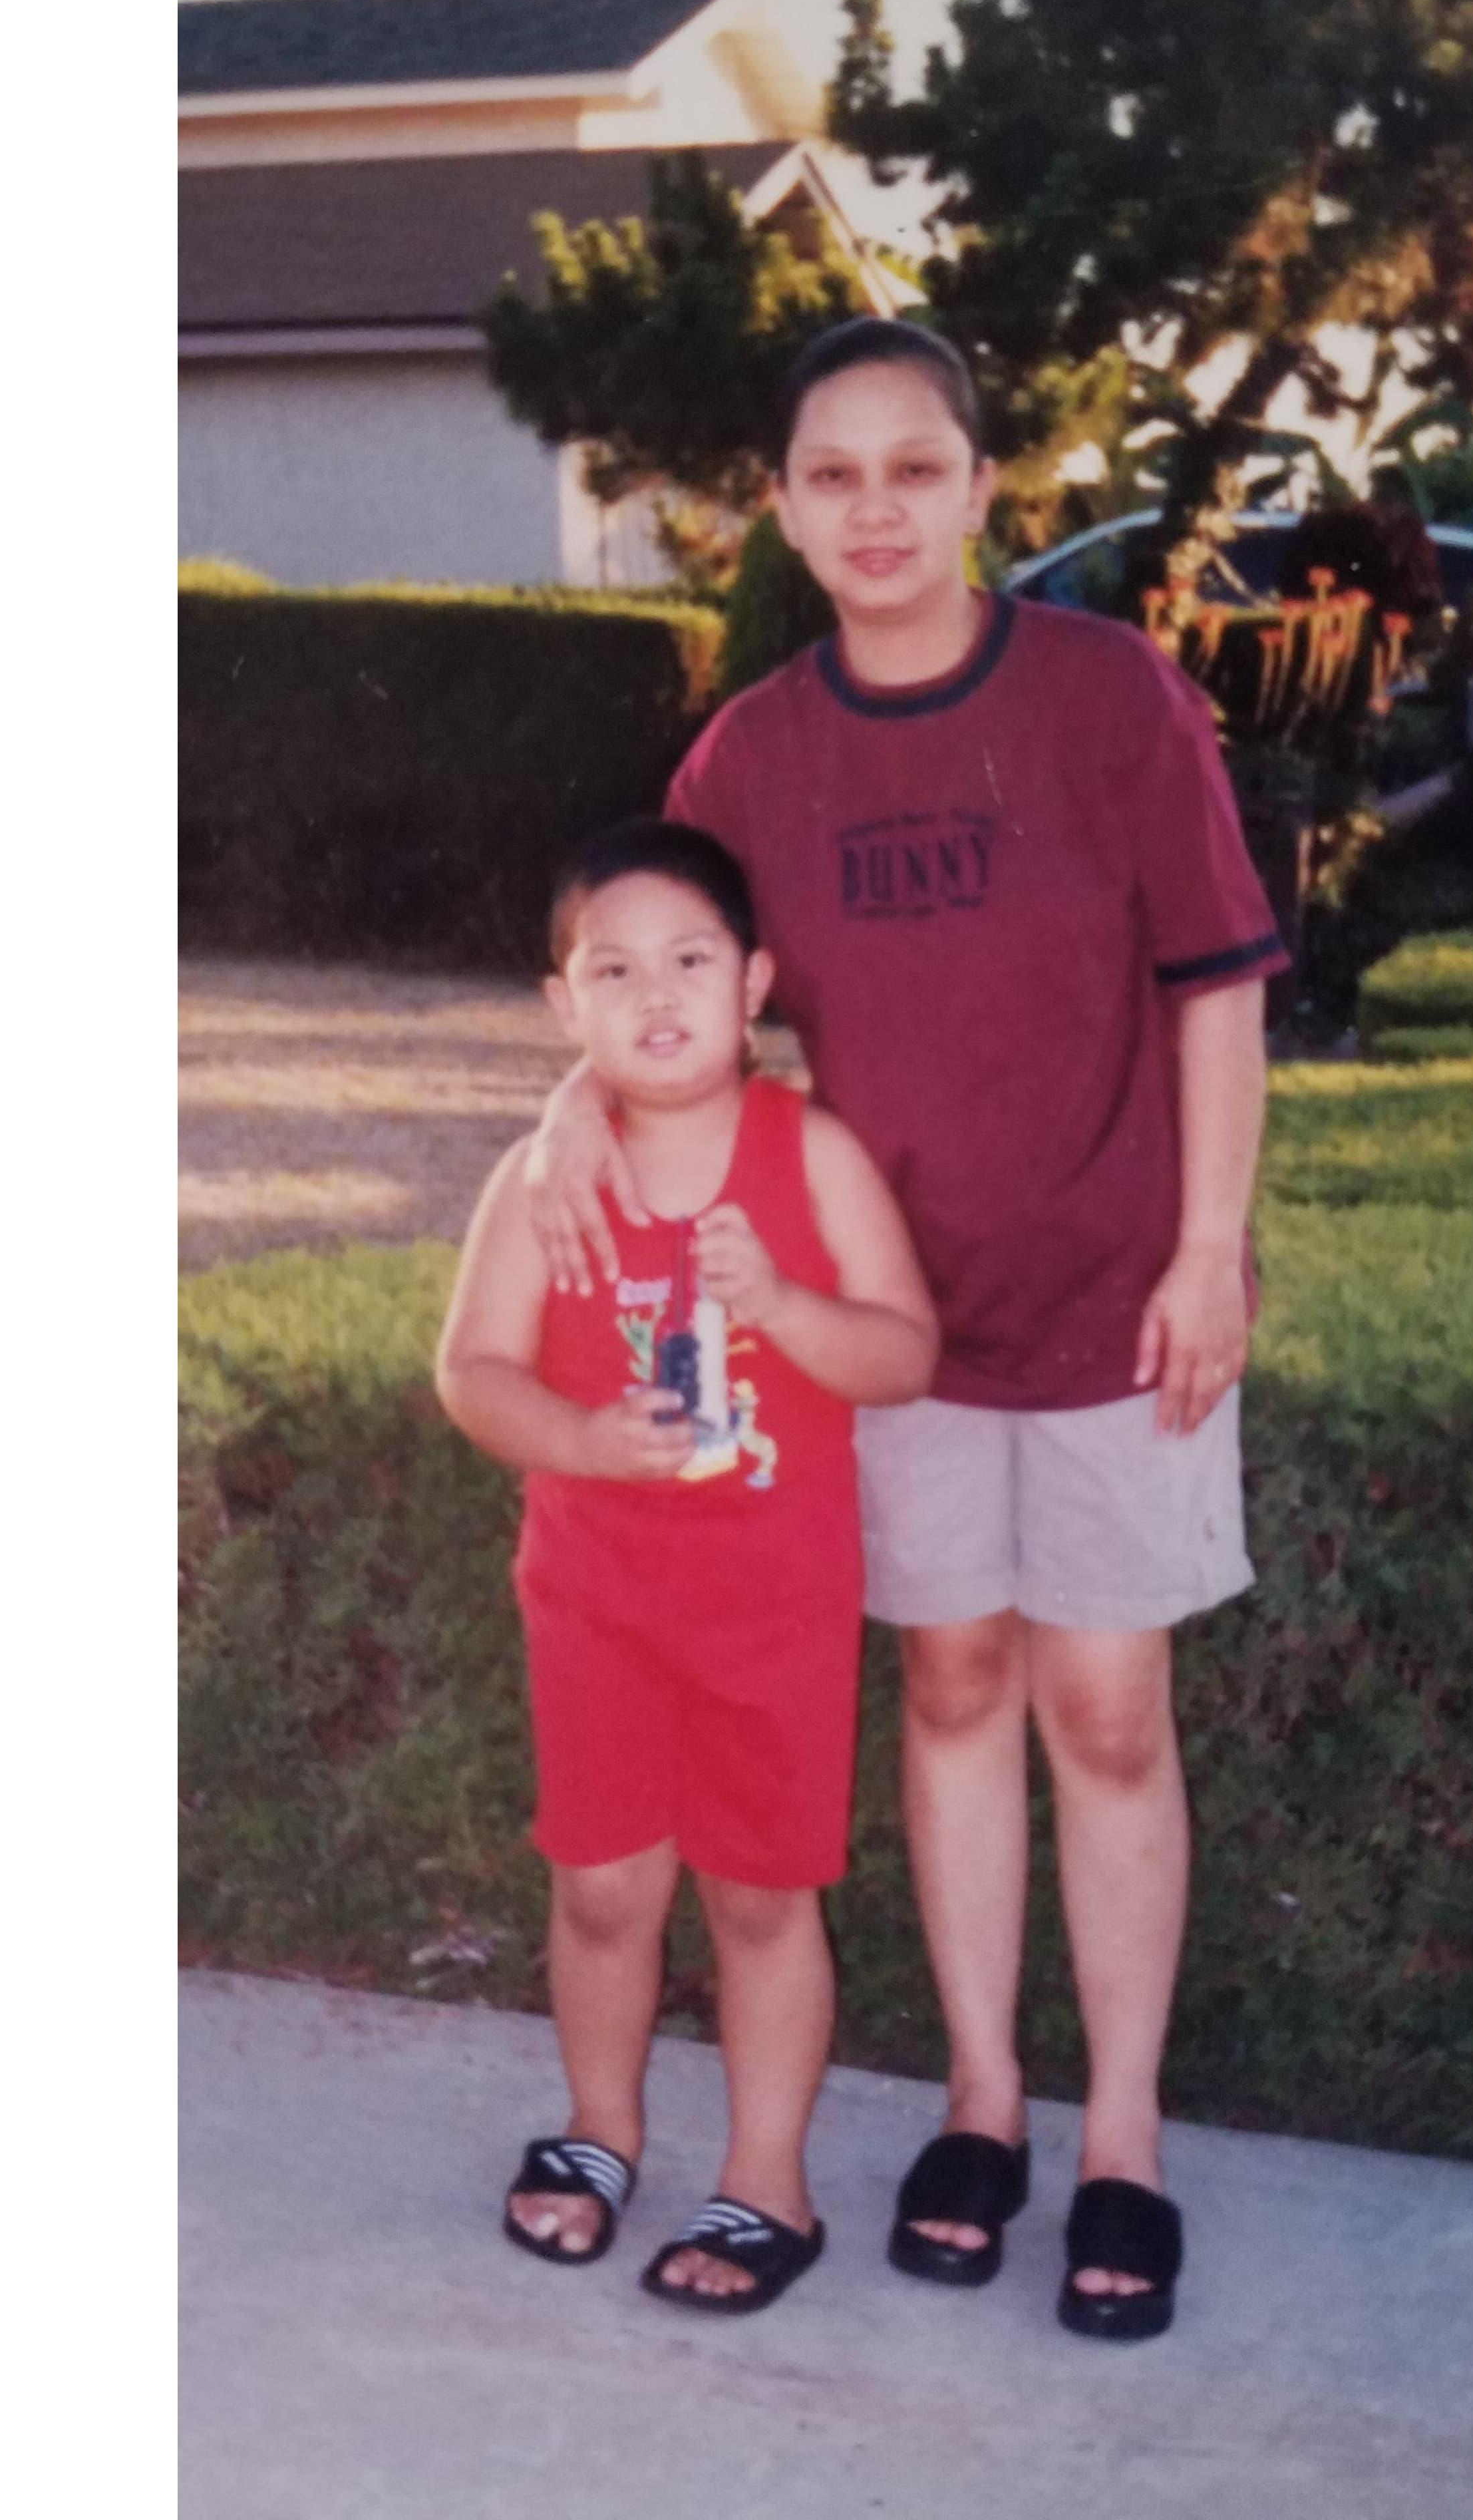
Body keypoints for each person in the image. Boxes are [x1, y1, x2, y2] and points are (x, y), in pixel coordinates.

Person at [525, 317, 1284, 2341]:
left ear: (981, 487)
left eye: (916, 465)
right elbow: (644, 967)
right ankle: (984, 2104)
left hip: (1122, 1301)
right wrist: (556, 1116)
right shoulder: (752, 754)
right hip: (892, 1320)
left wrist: (1211, 1246)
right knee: (953, 1684)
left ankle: (1121, 2138)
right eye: (833, 473)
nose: (877, 507)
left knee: (1105, 1707)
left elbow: (1219, 983)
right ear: (785, 505)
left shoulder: (1114, 700)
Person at [434, 818, 937, 2317]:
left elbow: (904, 1353)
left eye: (693, 961)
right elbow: (472, 1370)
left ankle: (767, 2179)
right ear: (561, 1005)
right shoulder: (544, 1176)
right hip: (597, 1602)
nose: (657, 996)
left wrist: (779, 1299)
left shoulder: (811, 1152)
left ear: (755, 979)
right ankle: (600, 2133)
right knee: (601, 1888)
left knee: (766, 1901)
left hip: (772, 1609)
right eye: (615, 969)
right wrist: (582, 1441)